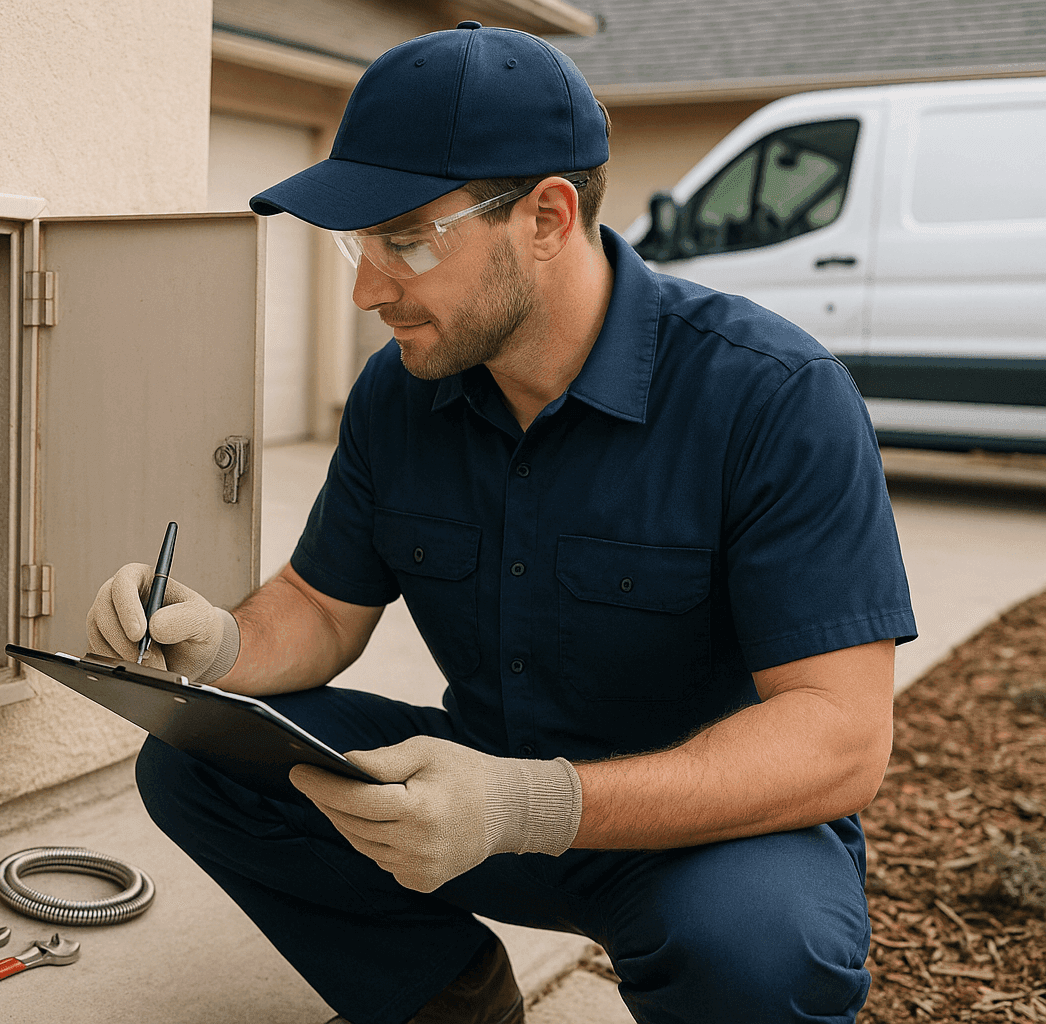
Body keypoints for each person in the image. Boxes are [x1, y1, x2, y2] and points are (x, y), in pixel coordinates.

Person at [87, 22, 916, 1024]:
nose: (366, 290)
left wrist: (530, 802)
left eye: (404, 241)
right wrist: (217, 644)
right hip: (467, 802)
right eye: (358, 244)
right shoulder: (401, 393)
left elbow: (840, 737)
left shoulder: (772, 396)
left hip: (702, 838)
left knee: (761, 951)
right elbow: (321, 604)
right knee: (198, 755)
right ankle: (452, 1002)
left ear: (548, 217)